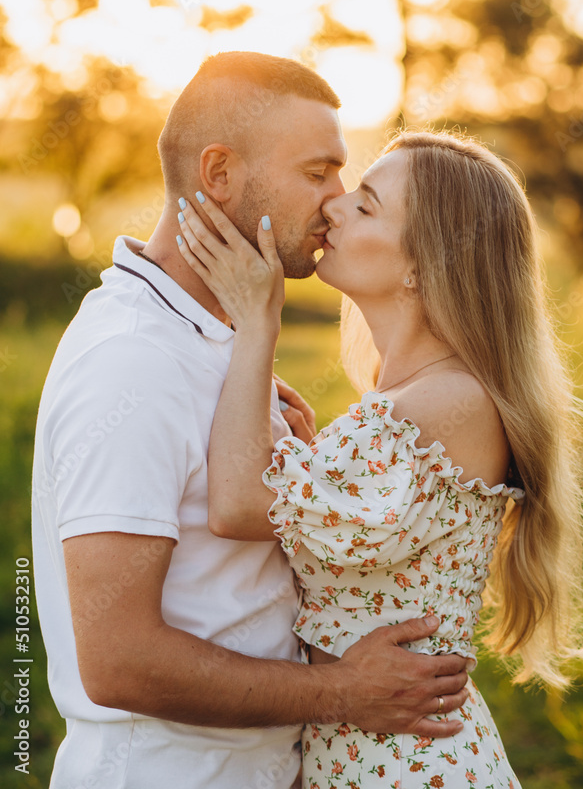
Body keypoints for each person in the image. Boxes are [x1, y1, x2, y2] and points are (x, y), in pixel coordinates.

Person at [31, 53, 470, 789]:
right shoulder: (133, 360)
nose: (336, 201)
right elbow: (117, 660)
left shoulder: (224, 335)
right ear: (220, 174)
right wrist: (343, 693)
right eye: (316, 172)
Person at [175, 128, 583, 787]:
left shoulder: (447, 401)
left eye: (367, 205)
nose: (335, 204)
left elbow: (236, 505)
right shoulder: (406, 401)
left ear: (422, 265)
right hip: (364, 760)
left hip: (410, 766)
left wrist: (255, 321)